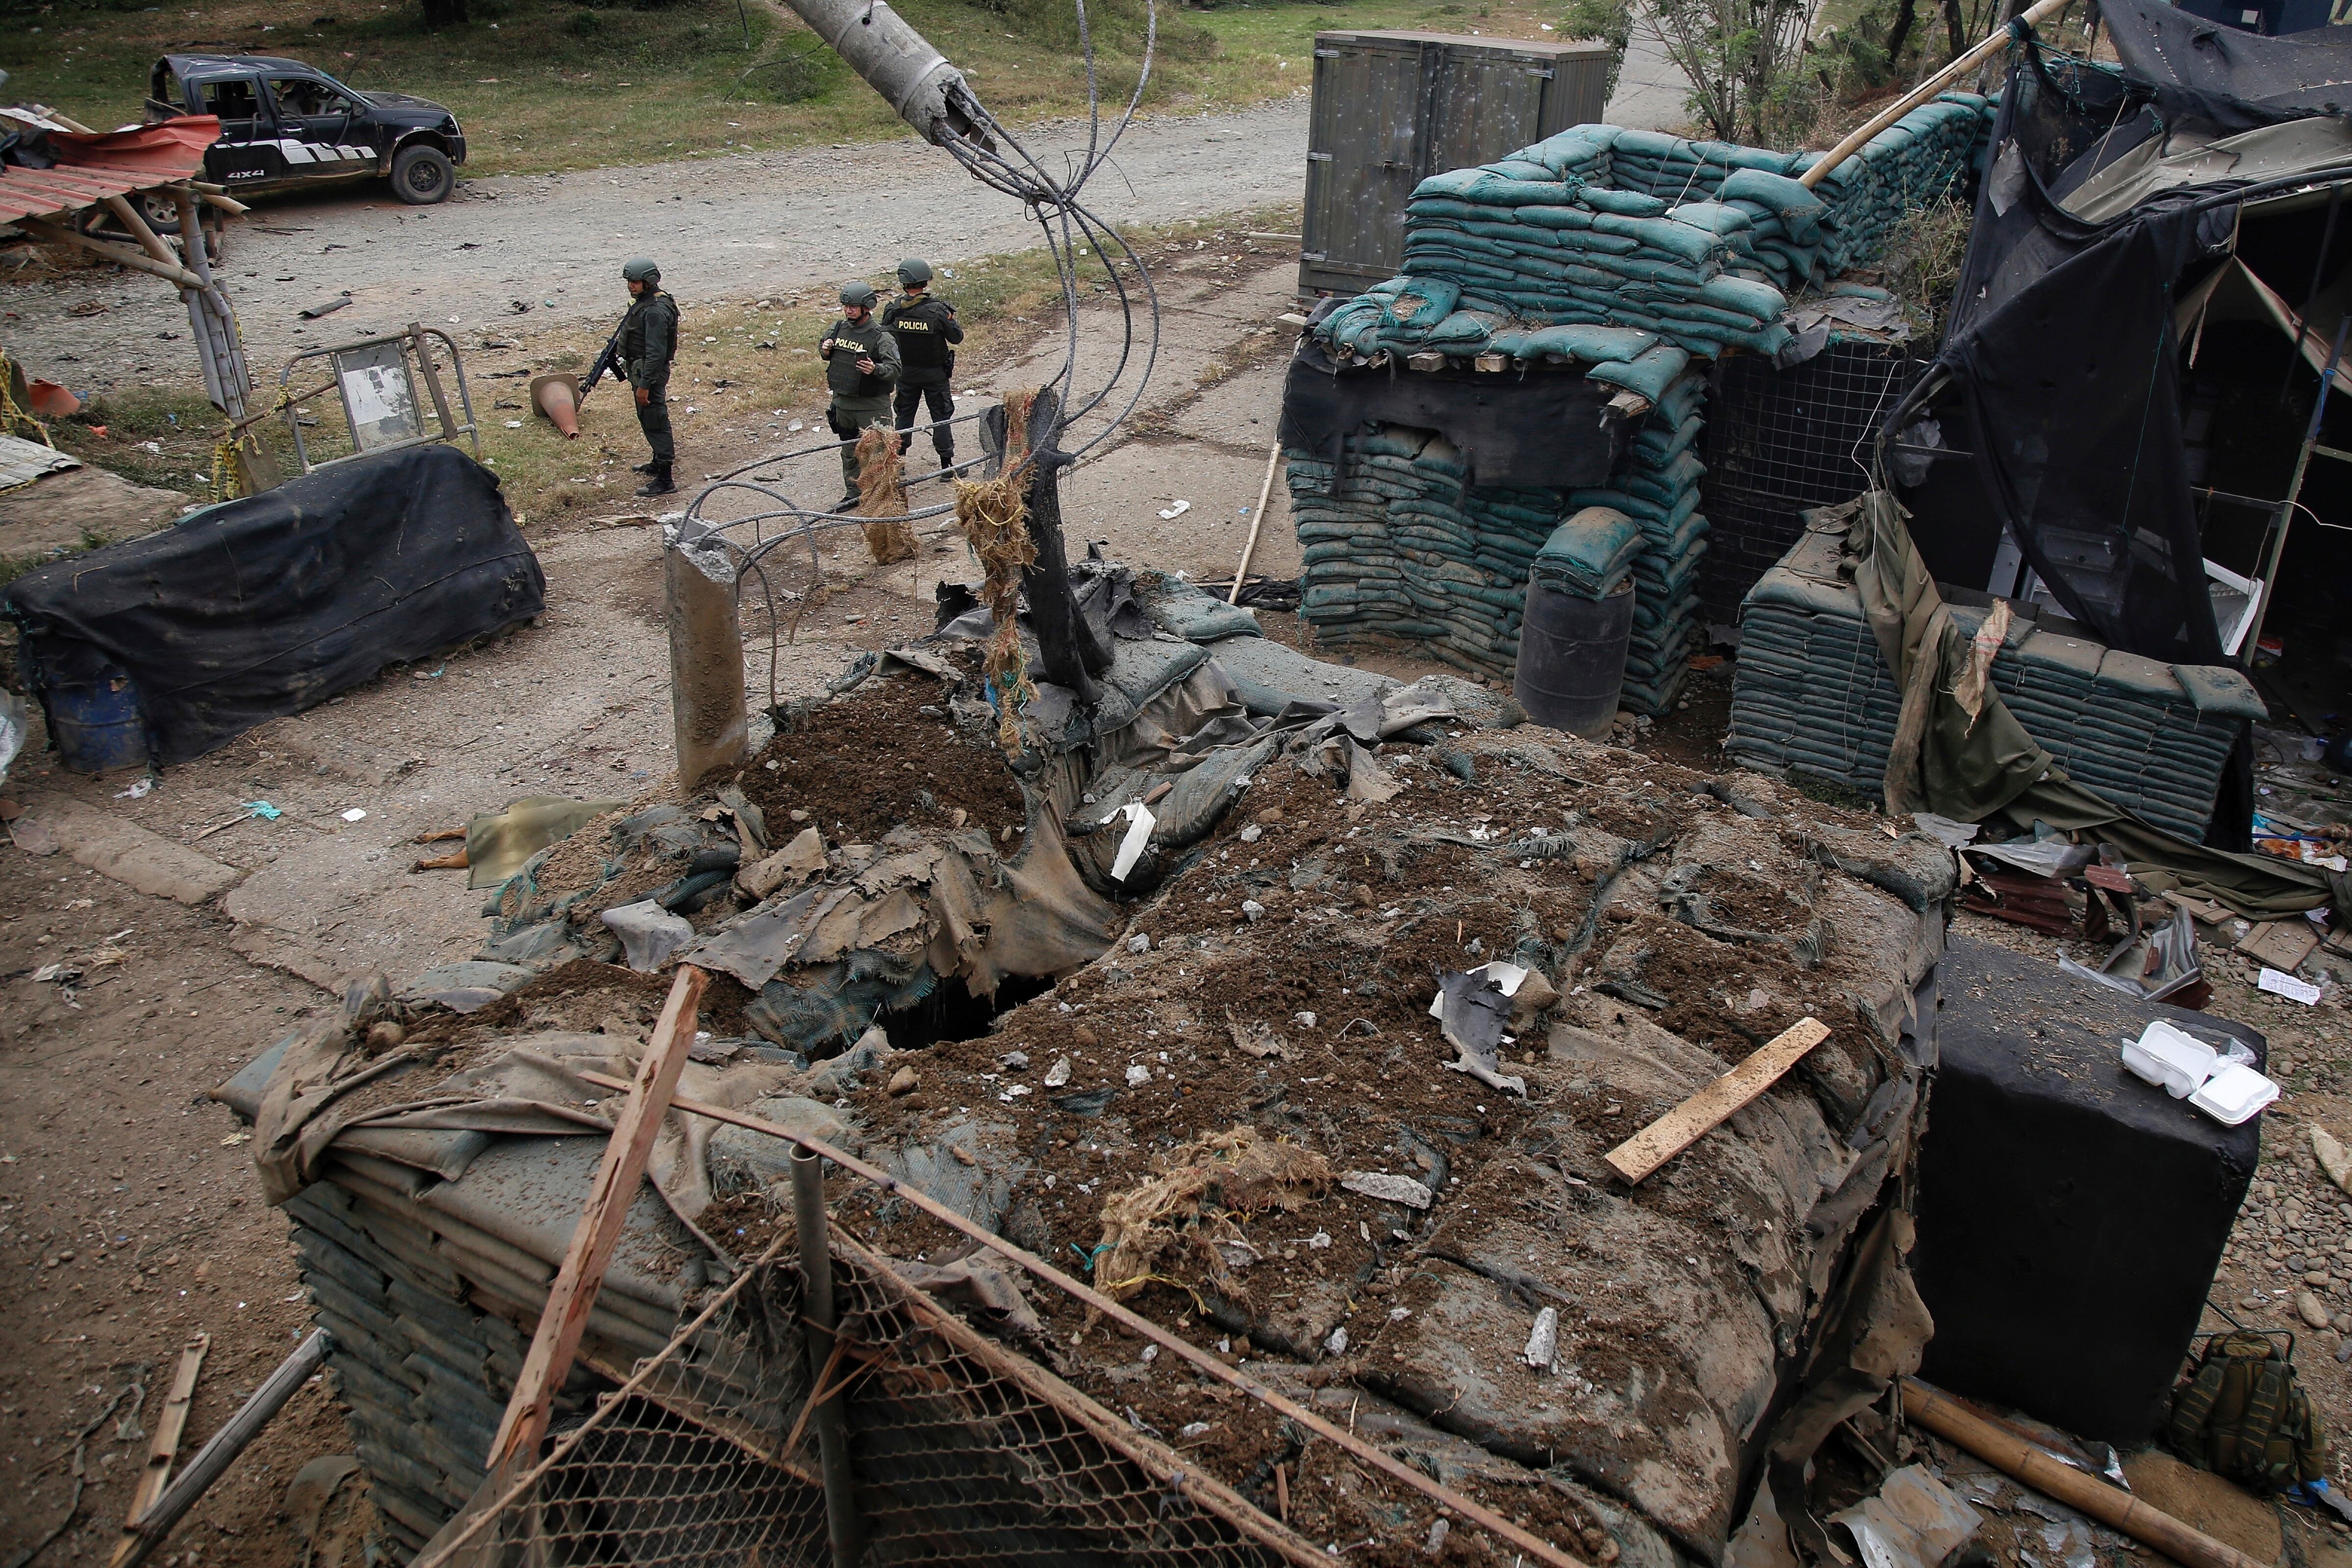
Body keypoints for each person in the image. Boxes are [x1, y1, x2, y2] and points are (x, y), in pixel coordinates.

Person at [820, 280, 901, 510]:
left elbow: (896, 369)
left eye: (853, 307)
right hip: (843, 404)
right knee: (849, 452)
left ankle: (884, 496)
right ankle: (854, 494)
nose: (848, 310)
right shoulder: (837, 329)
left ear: (867, 307)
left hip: (872, 407)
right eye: (846, 306)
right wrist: (825, 349)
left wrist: (875, 369)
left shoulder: (881, 337)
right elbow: (825, 353)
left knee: (879, 455)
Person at [882, 257, 962, 480]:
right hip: (935, 374)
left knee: (904, 417)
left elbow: (885, 335)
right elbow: (957, 338)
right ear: (925, 282)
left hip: (905, 374)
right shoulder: (937, 310)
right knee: (942, 416)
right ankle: (947, 466)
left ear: (903, 282)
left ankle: (899, 463)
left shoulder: (894, 309)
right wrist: (951, 320)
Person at [615, 257, 679, 497]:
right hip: (642, 370)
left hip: (649, 373)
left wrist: (644, 386)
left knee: (656, 420)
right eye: (630, 282)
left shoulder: (655, 310)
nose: (631, 286)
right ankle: (657, 462)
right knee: (648, 418)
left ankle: (665, 479)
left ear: (649, 282)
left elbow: (656, 353)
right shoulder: (646, 302)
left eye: (635, 282)